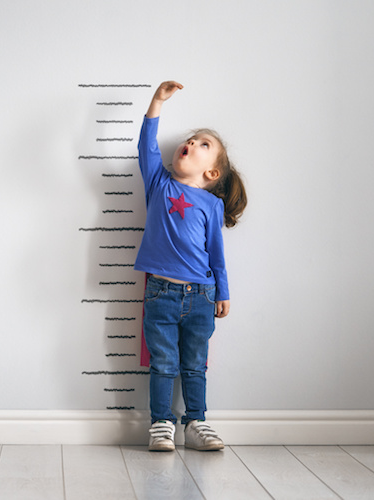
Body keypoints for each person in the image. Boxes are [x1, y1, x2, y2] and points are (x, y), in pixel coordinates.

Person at [134, 81, 247, 452]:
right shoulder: (159, 184)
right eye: (192, 139)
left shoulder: (211, 206)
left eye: (204, 144)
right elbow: (146, 148)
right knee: (164, 363)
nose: (193, 144)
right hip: (161, 294)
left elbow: (216, 255)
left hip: (201, 296)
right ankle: (161, 424)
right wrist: (157, 102)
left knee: (195, 365)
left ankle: (196, 422)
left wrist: (224, 292)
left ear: (212, 174)